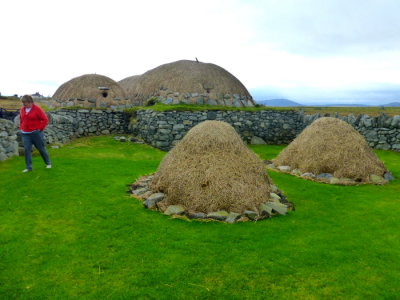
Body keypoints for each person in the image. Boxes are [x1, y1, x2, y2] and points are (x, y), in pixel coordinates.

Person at [19, 95, 51, 172]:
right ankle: (28, 167)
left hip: (36, 133)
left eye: (25, 102)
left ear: (30, 102)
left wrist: (39, 129)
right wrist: (21, 127)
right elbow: (21, 119)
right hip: (25, 133)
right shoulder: (22, 109)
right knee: (27, 150)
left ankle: (48, 163)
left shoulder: (37, 109)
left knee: (41, 149)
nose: (24, 104)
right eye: (23, 102)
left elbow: (45, 119)